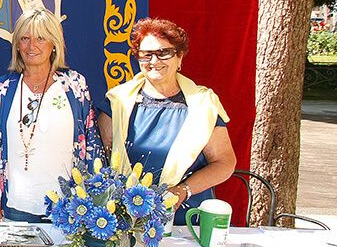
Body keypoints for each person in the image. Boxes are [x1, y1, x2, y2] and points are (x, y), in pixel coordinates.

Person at [0, 8, 103, 224]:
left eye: (40, 38)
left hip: (69, 210)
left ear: (54, 43)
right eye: (25, 38)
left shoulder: (75, 86)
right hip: (16, 208)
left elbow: (92, 144)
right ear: (17, 45)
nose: (31, 46)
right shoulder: (2, 90)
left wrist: (95, 197)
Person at [96, 18, 236, 225]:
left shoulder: (202, 105)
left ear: (179, 57)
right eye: (146, 54)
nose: (154, 61)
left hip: (186, 219)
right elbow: (103, 160)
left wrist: (182, 191)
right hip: (126, 219)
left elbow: (224, 162)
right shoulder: (116, 103)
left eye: (164, 52)